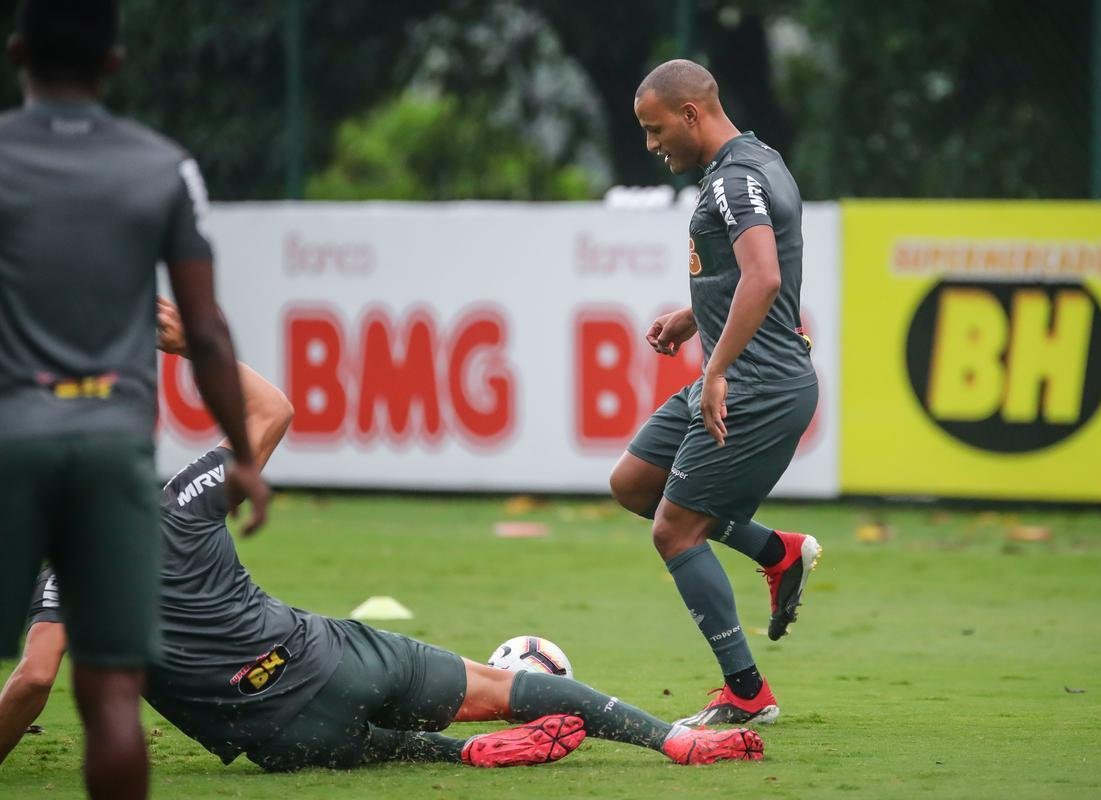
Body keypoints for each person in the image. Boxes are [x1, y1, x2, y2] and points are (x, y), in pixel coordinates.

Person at [0, 298, 764, 772]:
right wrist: (190, 350)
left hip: (279, 729)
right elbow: (273, 413)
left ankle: (455, 754)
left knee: (339, 745)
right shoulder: (185, 498)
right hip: (334, 654)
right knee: (505, 688)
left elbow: (34, 680)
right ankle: (672, 741)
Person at [0, 2, 270, 798]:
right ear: (115, 63)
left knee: (32, 667)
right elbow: (208, 333)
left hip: (12, 440)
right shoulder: (163, 166)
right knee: (111, 689)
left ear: (17, 53)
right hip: (111, 449)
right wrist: (245, 456)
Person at [609, 59, 822, 727]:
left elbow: (762, 278)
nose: (651, 145)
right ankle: (775, 551)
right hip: (749, 374)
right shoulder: (760, 158)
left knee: (674, 531)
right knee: (635, 483)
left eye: (655, 129)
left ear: (691, 114)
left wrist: (719, 370)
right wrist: (693, 316)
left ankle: (747, 693)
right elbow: (757, 274)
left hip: (757, 385)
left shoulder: (733, 181)